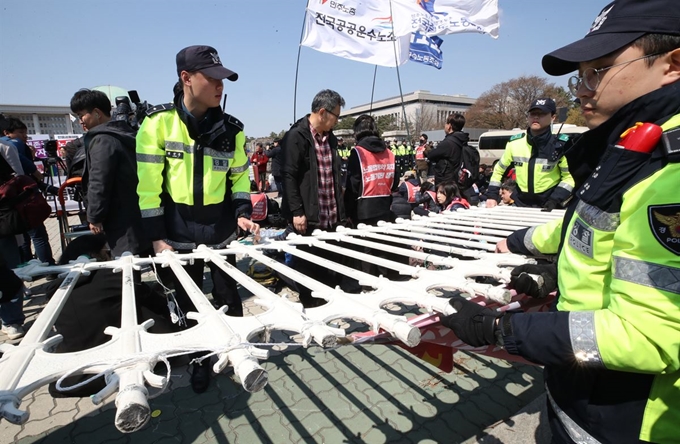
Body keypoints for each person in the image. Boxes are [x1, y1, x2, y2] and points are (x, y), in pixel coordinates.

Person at [442, 1, 680, 442]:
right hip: (584, 388)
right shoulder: (633, 144)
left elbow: (648, 335)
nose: (583, 90)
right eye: (580, 75)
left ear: (673, 64)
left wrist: (502, 329)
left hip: (630, 414)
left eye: (599, 70)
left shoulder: (671, 171)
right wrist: (541, 258)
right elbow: (598, 231)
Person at [136, 45, 259, 393]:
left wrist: (243, 215)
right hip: (176, 230)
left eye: (224, 80)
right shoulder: (157, 124)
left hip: (220, 228)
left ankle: (236, 355)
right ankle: (198, 362)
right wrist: (157, 238)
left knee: (227, 296)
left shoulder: (232, 129)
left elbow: (239, 178)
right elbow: (147, 189)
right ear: (186, 79)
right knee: (187, 303)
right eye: (213, 79)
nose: (221, 86)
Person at [45, 234, 177, 398]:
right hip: (116, 354)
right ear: (97, 255)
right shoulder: (113, 278)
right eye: (107, 251)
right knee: (141, 305)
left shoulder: (54, 291)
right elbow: (157, 304)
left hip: (76, 373)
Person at [281, 89, 353, 306]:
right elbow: (288, 176)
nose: (336, 122)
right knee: (310, 274)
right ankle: (313, 315)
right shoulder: (297, 136)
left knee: (330, 273)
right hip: (308, 220)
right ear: (323, 112)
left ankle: (330, 312)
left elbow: (333, 175)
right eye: (336, 116)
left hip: (331, 218)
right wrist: (297, 212)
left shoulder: (330, 139)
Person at [69, 89, 149, 257]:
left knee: (127, 265)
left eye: (81, 115)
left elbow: (99, 180)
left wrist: (94, 216)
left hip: (119, 217)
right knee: (145, 256)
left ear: (97, 113)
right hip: (137, 210)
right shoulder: (125, 133)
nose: (80, 121)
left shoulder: (102, 140)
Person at [484, 98, 575, 209]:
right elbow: (498, 170)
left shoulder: (562, 145)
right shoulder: (515, 143)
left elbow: (569, 178)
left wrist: (555, 199)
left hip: (550, 205)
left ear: (553, 117)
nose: (536, 117)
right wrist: (492, 196)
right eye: (532, 113)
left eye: (542, 114)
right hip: (520, 203)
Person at [343, 114, 398, 227]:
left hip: (362, 212)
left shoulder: (358, 153)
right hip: (385, 207)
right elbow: (395, 181)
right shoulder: (389, 153)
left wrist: (346, 211)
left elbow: (352, 186)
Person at [426, 113, 469, 187]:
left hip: (446, 182)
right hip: (457, 179)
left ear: (449, 126)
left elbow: (431, 155)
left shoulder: (448, 142)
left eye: (446, 123)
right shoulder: (462, 140)